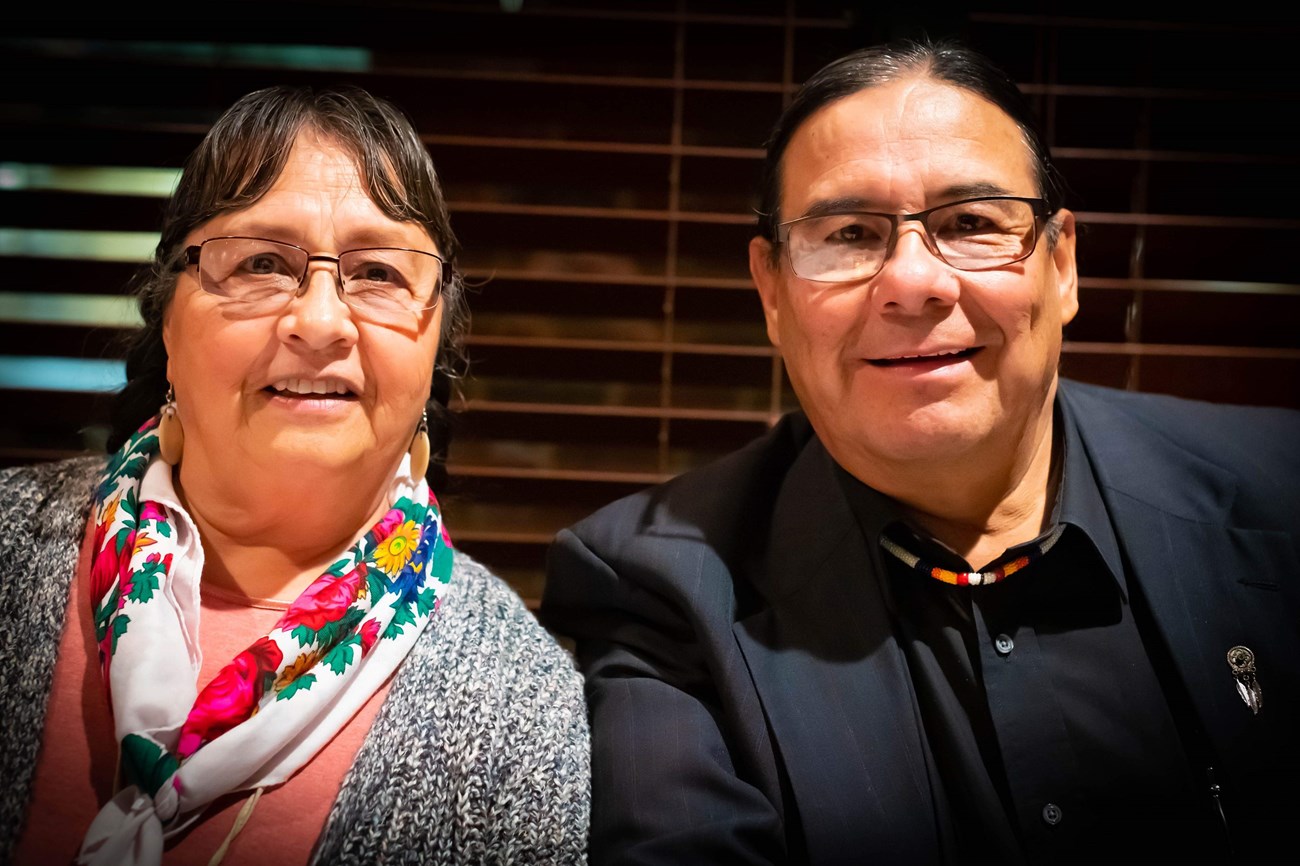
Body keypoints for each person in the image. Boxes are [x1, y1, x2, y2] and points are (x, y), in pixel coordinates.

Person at [540, 37, 1299, 865]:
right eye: (850, 233)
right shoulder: (658, 589)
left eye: (971, 223)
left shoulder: (1279, 492)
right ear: (771, 292)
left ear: (1064, 264)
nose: (913, 280)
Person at [0, 85, 589, 866]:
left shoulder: (520, 706)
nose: (318, 322)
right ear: (168, 321)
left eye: (377, 272)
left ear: (435, 343)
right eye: (261, 263)